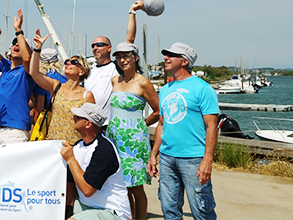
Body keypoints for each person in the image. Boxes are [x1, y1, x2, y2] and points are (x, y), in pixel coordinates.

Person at [147, 42, 219, 220]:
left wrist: (207, 160)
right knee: (169, 209)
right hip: (166, 157)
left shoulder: (203, 89)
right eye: (166, 55)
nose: (166, 58)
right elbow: (162, 125)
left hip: (193, 159)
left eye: (171, 55)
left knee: (201, 210)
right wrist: (153, 154)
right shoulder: (165, 90)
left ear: (184, 61)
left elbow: (212, 127)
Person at [107, 42, 159, 220]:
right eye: (119, 57)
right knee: (121, 183)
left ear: (135, 58)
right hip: (115, 138)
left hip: (135, 141)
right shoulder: (115, 80)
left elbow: (159, 111)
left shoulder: (143, 83)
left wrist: (143, 123)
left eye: (126, 56)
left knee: (136, 186)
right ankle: (127, 217)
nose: (122, 60)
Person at [60, 102, 131, 220]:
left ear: (88, 124)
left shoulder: (104, 149)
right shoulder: (77, 147)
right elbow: (70, 185)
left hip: (111, 211)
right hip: (86, 206)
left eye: (77, 117)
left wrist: (71, 160)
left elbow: (87, 190)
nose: (73, 118)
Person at [29, 29, 95, 145]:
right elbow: (34, 72)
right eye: (67, 62)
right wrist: (37, 49)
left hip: (75, 146)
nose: (68, 63)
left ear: (82, 71)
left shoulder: (87, 95)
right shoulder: (56, 86)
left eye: (74, 62)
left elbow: (91, 125)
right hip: (53, 145)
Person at [0, 9, 42, 144]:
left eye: (20, 43)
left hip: (15, 130)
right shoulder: (5, 67)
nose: (16, 44)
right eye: (14, 42)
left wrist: (18, 30)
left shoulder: (27, 70)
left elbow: (27, 58)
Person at [83, 1, 141, 123]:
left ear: (109, 48)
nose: (95, 48)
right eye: (93, 45)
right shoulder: (89, 71)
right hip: (90, 125)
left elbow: (129, 39)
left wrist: (132, 12)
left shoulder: (116, 66)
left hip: (109, 124)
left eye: (99, 45)